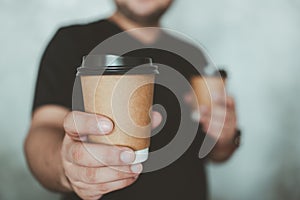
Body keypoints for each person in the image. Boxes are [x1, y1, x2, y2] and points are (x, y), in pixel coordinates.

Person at [24, 0, 240, 199]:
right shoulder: (71, 41)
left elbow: (208, 152)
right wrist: (66, 168)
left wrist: (223, 141)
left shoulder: (193, 54)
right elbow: (43, 129)